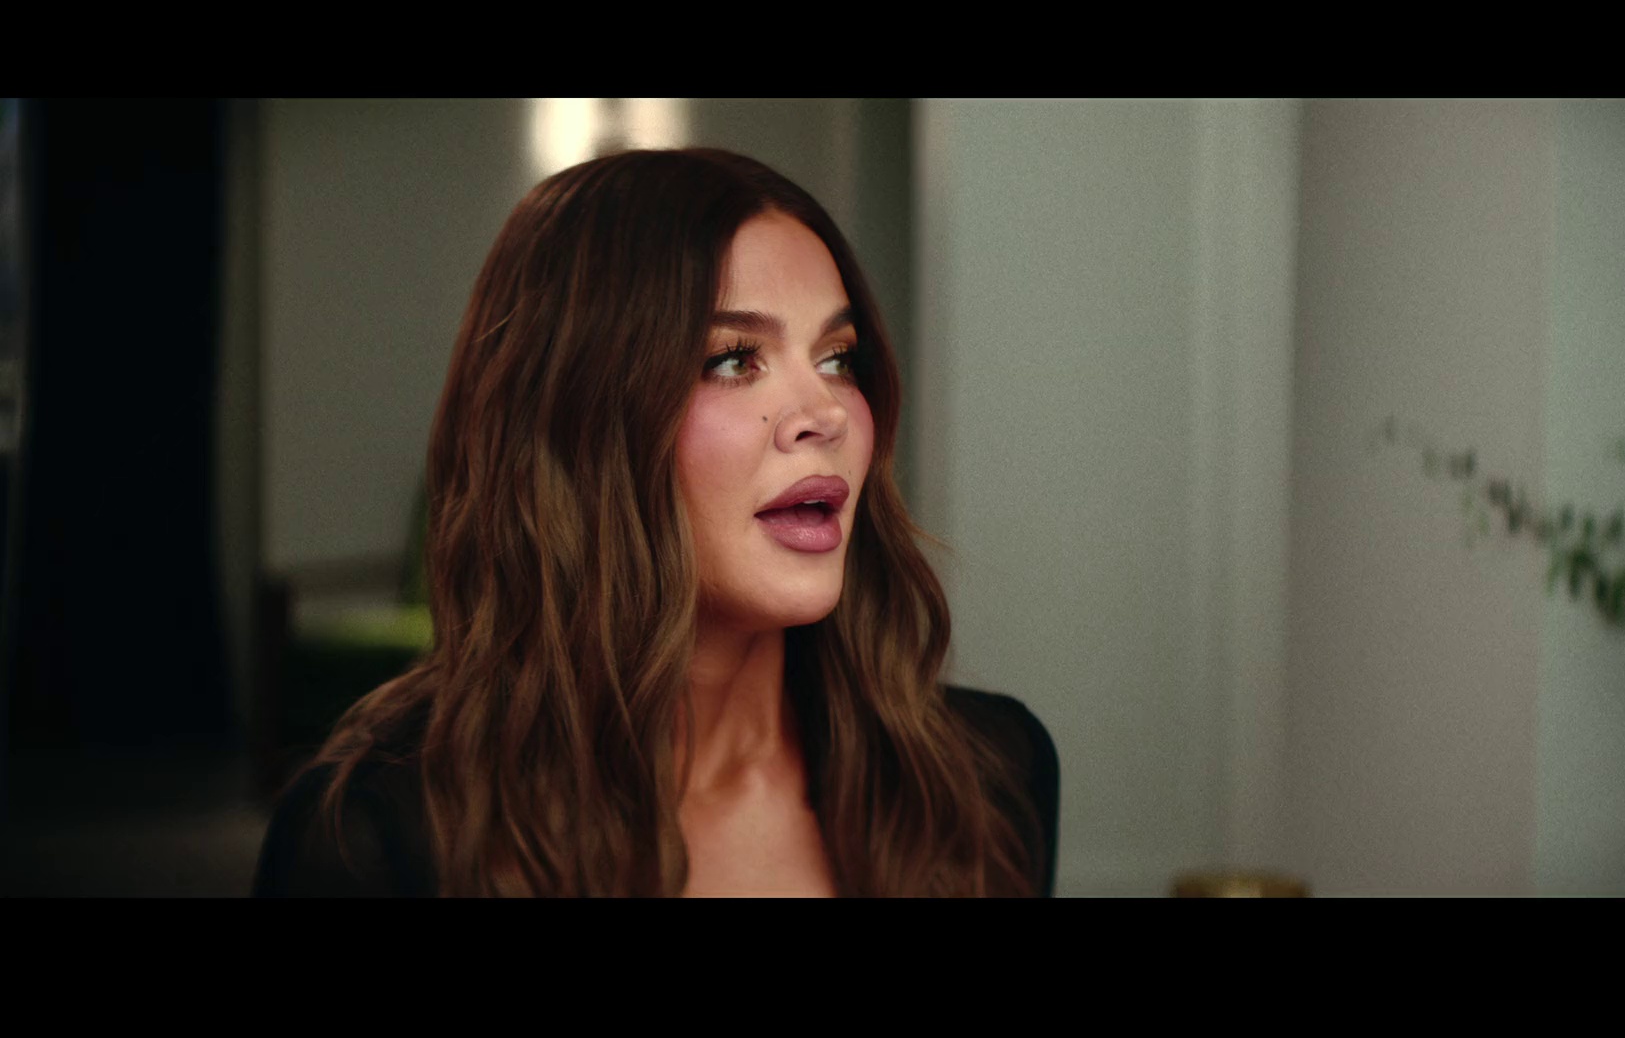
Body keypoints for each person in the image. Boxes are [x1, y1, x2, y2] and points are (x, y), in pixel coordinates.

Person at [251, 148, 1058, 897]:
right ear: (580, 424)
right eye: (734, 359)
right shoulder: (373, 837)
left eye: (837, 358)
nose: (826, 414)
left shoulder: (988, 773)